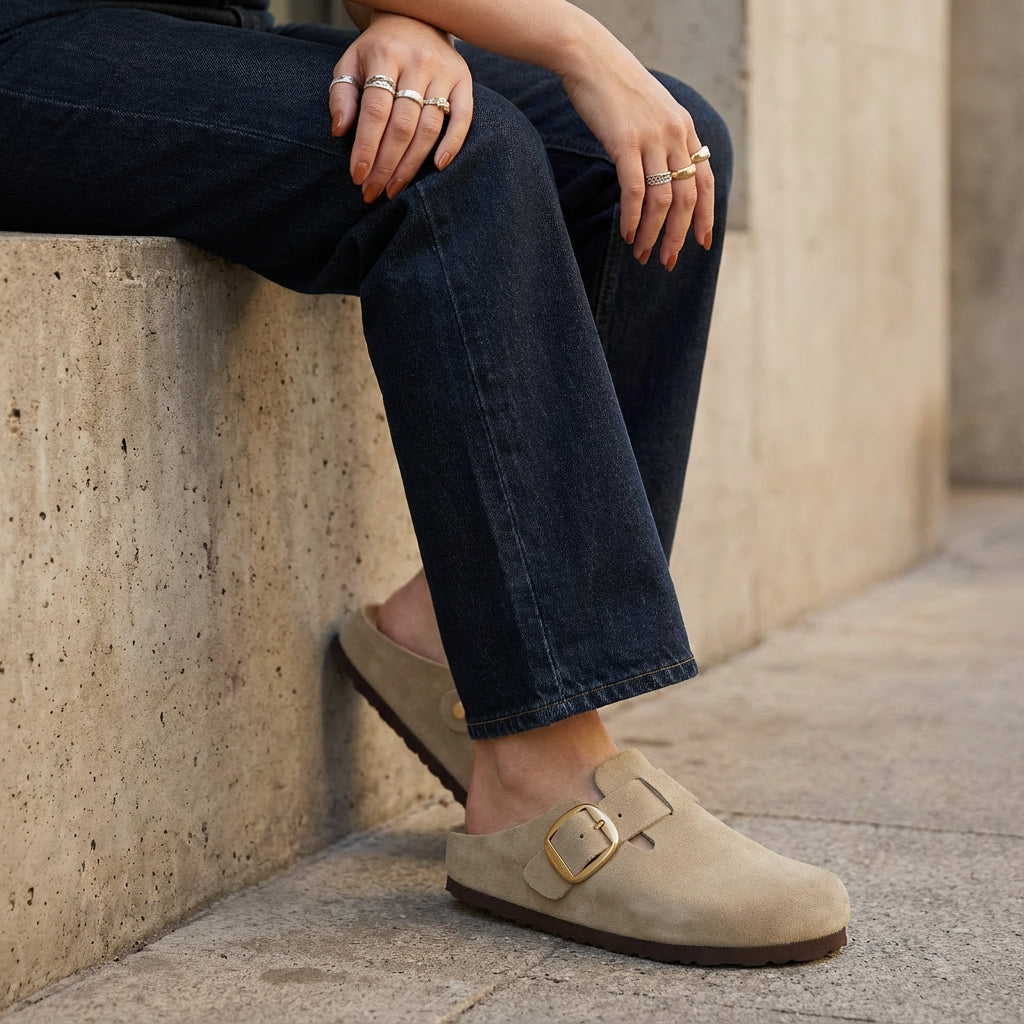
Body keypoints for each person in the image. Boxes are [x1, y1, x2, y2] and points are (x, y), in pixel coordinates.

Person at [0, 0, 849, 965]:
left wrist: (416, 24)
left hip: (203, 33)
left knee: (658, 151)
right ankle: (543, 781)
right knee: (454, 153)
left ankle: (455, 634)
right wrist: (575, 40)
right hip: (27, 44)